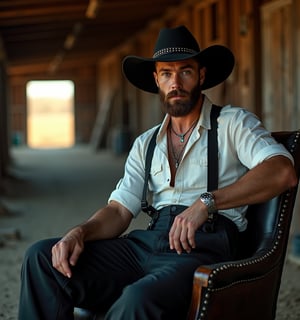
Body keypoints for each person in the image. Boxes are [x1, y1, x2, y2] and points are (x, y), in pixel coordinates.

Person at [18, 25, 297, 320]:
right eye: (166, 73)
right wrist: (79, 233)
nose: (175, 82)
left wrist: (207, 202)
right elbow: (119, 211)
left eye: (185, 71)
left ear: (201, 75)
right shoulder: (146, 142)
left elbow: (282, 171)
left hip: (201, 249)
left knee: (138, 299)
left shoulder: (233, 123)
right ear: (156, 80)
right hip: (147, 244)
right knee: (41, 258)